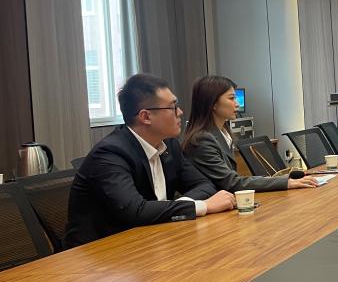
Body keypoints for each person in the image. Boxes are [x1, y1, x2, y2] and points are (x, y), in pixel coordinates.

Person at [62, 74, 236, 249]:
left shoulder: (169, 145)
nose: (180, 112)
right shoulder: (110, 154)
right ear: (145, 116)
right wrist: (202, 206)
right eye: (172, 107)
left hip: (152, 240)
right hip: (100, 251)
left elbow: (204, 185)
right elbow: (135, 211)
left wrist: (176, 207)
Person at [181, 75, 319, 192]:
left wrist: (284, 179)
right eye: (231, 98)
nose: (237, 104)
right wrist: (285, 183)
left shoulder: (222, 132)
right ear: (213, 104)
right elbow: (232, 183)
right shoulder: (201, 140)